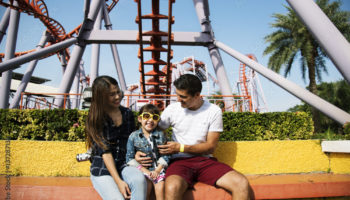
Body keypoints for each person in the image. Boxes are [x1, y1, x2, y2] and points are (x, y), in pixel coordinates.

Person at [136, 74, 251, 200]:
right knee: (172, 187)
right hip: (178, 162)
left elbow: (210, 147)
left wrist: (180, 148)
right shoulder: (173, 109)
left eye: (183, 96)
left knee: (241, 183)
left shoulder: (213, 111)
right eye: (177, 95)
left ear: (197, 95)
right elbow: (149, 130)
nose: (178, 99)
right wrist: (139, 151)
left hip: (204, 161)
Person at [85, 75, 147, 200]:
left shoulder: (127, 113)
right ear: (101, 97)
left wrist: (136, 153)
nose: (117, 97)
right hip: (103, 167)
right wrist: (119, 182)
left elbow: (131, 141)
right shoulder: (96, 118)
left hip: (124, 164)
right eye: (111, 94)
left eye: (118, 92)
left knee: (139, 180)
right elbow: (105, 152)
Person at [126, 104, 170, 200]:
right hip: (143, 171)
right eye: (146, 116)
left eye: (154, 117)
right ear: (139, 119)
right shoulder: (133, 136)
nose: (150, 120)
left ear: (158, 121)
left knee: (160, 188)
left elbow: (166, 155)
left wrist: (157, 170)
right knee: (145, 188)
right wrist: (145, 170)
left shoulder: (161, 135)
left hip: (159, 170)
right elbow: (129, 158)